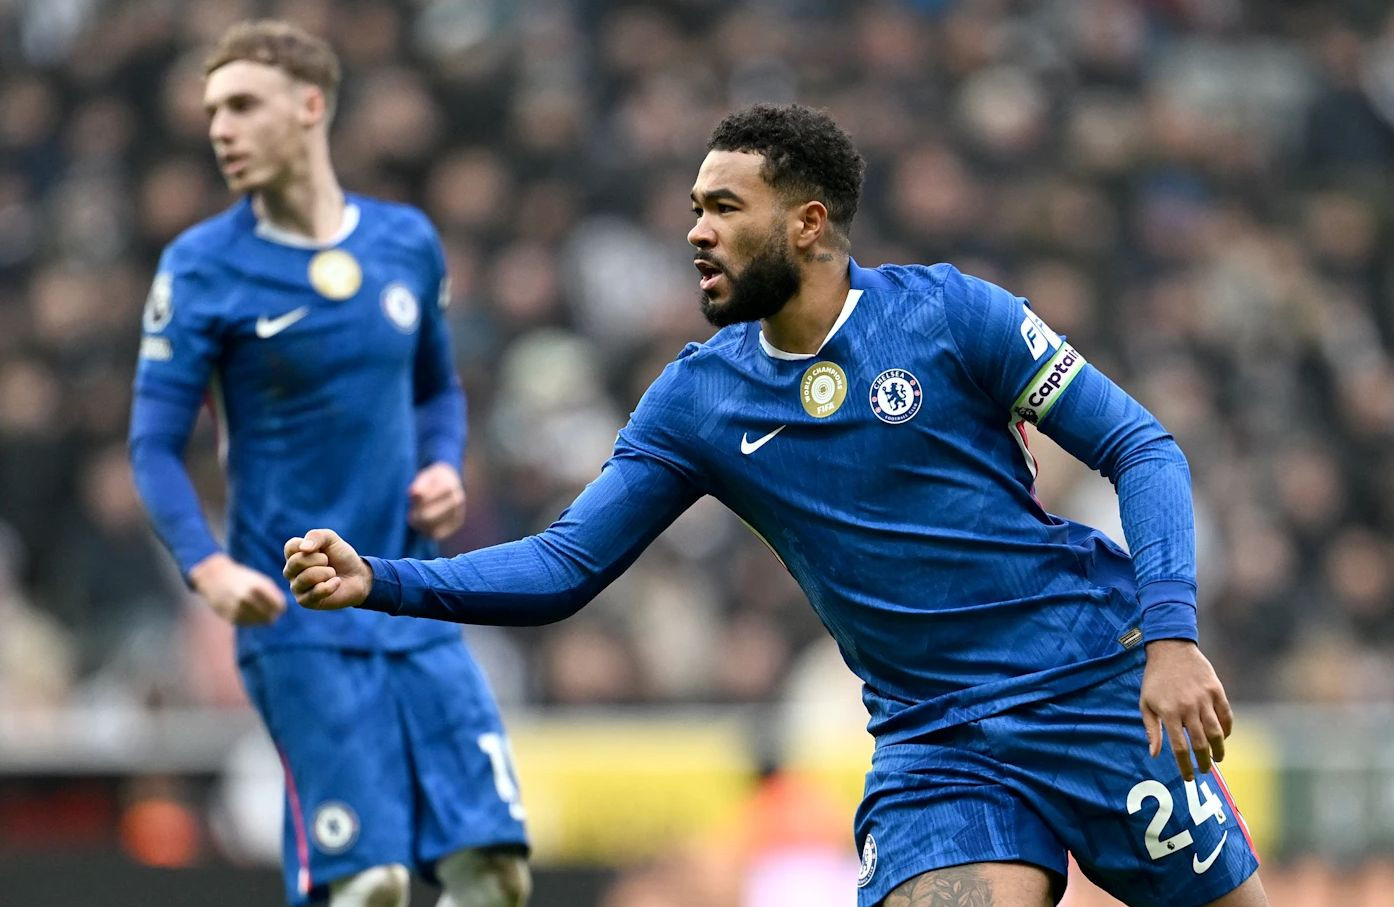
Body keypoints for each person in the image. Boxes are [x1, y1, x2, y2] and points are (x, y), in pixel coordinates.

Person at [284, 103, 1267, 907]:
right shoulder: (699, 400)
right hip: (936, 744)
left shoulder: (950, 314)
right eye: (694, 209)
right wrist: (384, 579)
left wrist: (1172, 636)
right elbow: (563, 565)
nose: (695, 231)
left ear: (806, 223)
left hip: (1087, 685)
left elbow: (1141, 446)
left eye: (723, 207)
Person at [128, 20, 529, 907]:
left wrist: (444, 465)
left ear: (310, 106)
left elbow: (437, 388)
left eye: (243, 105)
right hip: (297, 612)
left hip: (411, 591)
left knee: (495, 872)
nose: (220, 129)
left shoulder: (405, 242)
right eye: (212, 112)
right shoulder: (201, 268)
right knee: (369, 882)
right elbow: (152, 444)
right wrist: (207, 566)